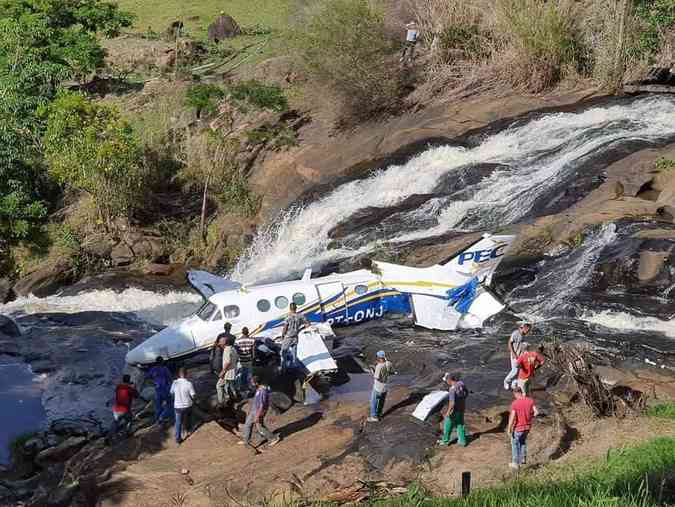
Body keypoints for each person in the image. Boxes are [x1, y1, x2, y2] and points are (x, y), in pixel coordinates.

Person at [238, 376, 280, 447]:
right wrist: (250, 409)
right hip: (253, 410)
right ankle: (246, 440)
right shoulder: (258, 389)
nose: (251, 384)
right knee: (247, 425)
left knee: (260, 427)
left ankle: (273, 438)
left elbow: (261, 405)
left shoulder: (262, 391)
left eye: (252, 382)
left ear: (256, 383)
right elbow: (255, 400)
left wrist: (258, 416)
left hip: (259, 411)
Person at [507, 385, 539, 469]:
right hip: (527, 427)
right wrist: (529, 416)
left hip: (518, 428)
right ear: (521, 392)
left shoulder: (515, 403)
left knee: (514, 444)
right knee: (522, 442)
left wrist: (509, 428)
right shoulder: (530, 400)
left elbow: (512, 417)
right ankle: (523, 459)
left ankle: (515, 463)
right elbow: (536, 412)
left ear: (516, 393)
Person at [438, 373, 468, 447]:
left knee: (447, 425)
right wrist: (462, 399)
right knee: (460, 424)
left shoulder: (452, 389)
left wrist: (448, 412)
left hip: (454, 410)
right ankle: (462, 441)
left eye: (446, 380)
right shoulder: (461, 383)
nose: (446, 382)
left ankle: (445, 441)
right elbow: (466, 392)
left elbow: (452, 403)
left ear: (449, 380)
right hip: (462, 408)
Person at [109, 374, 141, 440]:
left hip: (116, 409)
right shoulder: (130, 389)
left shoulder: (118, 387)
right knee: (129, 420)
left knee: (115, 422)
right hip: (125, 409)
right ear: (129, 380)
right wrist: (134, 387)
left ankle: (109, 436)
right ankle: (127, 433)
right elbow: (137, 396)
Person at [171, 367, 196, 445]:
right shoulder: (189, 383)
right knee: (189, 415)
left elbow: (171, 392)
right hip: (187, 405)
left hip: (177, 406)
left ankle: (178, 439)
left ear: (179, 374)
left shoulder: (174, 383)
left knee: (178, 422)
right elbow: (193, 395)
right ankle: (188, 429)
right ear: (186, 374)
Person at [280, 303, 308, 371]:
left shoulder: (288, 316)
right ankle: (294, 366)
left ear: (290, 308)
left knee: (283, 352)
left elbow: (285, 327)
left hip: (288, 336)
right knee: (294, 352)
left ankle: (283, 368)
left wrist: (282, 335)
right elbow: (308, 324)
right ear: (296, 308)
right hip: (295, 336)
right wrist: (300, 329)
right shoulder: (300, 316)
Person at [144, 356, 173, 424]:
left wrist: (152, 383)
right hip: (165, 389)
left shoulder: (153, 369)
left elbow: (146, 377)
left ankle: (157, 420)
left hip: (157, 390)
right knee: (169, 404)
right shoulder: (165, 369)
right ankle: (163, 417)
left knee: (158, 406)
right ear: (162, 361)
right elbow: (170, 379)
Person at [503, 323, 532, 390]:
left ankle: (514, 384)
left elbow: (520, 343)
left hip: (520, 355)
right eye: (528, 330)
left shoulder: (523, 334)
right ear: (525, 328)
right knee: (515, 371)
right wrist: (513, 353)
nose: (528, 331)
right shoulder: (515, 333)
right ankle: (506, 381)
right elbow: (509, 343)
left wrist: (525, 346)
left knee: (520, 371)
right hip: (515, 355)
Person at [368, 350, 393, 422]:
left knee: (374, 402)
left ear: (378, 357)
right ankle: (379, 414)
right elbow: (391, 372)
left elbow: (376, 377)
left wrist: (372, 371)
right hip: (385, 387)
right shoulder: (389, 363)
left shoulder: (379, 366)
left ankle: (374, 417)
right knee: (381, 401)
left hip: (378, 387)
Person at [217, 335, 238, 406]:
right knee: (230, 386)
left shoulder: (227, 350)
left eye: (220, 342)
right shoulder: (233, 348)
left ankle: (221, 402)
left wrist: (222, 372)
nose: (219, 344)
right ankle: (234, 398)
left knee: (219, 386)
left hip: (227, 373)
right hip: (232, 371)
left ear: (224, 343)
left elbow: (228, 362)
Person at [235, 327, 256, 396]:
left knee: (240, 374)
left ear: (242, 332)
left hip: (241, 360)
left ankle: (238, 388)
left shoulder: (237, 341)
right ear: (248, 332)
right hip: (249, 359)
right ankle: (250, 387)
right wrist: (253, 358)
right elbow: (253, 351)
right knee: (249, 374)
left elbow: (237, 351)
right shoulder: (252, 340)